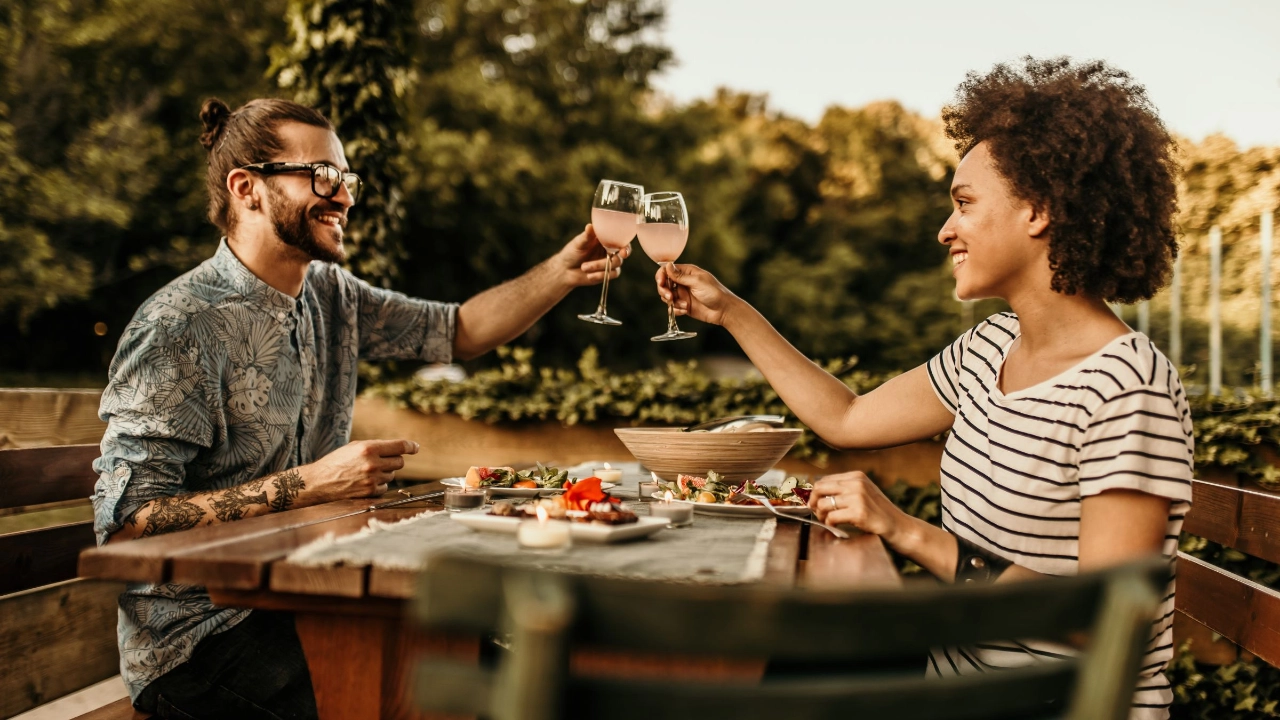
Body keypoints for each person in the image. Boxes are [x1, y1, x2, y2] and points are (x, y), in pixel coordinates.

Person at [656, 57, 1190, 719]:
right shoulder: (988, 348)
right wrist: (731, 310)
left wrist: (907, 532)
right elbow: (847, 418)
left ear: (1040, 210)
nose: (945, 230)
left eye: (964, 204)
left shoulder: (1126, 387)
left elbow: (1099, 619)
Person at [91, 96, 628, 719]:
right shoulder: (176, 326)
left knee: (512, 674)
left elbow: (457, 330)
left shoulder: (330, 293)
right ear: (247, 189)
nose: (344, 196)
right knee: (441, 702)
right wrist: (312, 483)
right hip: (200, 642)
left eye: (346, 179)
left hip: (319, 595)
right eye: (322, 176)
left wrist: (559, 273)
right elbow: (126, 525)